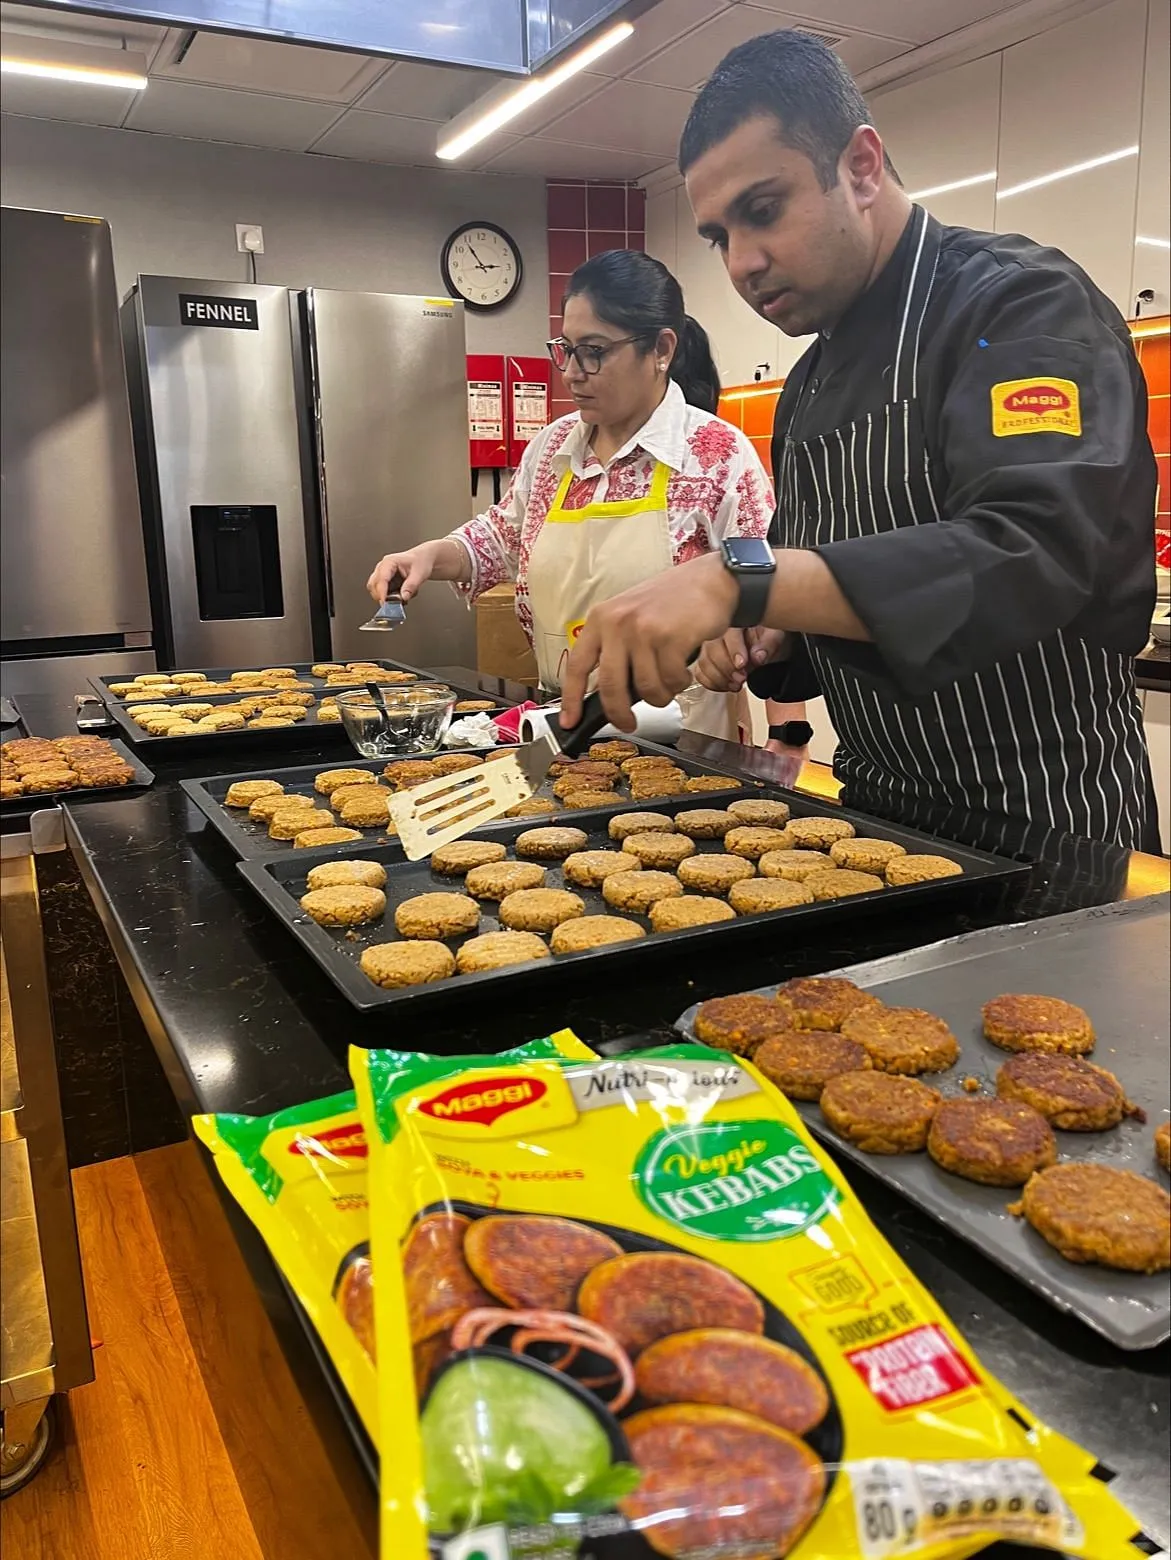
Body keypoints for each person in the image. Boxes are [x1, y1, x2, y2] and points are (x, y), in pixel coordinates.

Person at [559, 30, 1158, 851]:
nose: (741, 263)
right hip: (873, 821)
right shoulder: (807, 385)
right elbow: (822, 598)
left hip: (1044, 820)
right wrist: (768, 637)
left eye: (762, 212)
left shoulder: (1021, 307)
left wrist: (739, 581)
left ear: (862, 167)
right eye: (718, 237)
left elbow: (1032, 554)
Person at [366, 249, 773, 740]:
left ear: (661, 349)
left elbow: (766, 588)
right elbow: (502, 536)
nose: (572, 371)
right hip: (561, 730)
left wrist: (786, 730)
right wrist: (430, 555)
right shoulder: (554, 446)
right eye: (566, 348)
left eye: (594, 351)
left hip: (684, 740)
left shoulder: (716, 455)